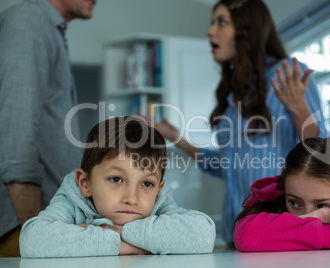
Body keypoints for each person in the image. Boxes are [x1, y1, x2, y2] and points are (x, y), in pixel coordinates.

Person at [143, 0, 327, 243]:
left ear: (247, 29)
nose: (210, 31)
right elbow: (227, 166)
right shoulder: (233, 95)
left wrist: (298, 108)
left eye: (221, 22)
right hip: (238, 228)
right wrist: (175, 138)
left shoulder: (287, 75)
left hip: (282, 228)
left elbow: (321, 152)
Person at [19, 116, 216, 257]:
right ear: (85, 183)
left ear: (158, 189)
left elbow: (204, 235)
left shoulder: (158, 200)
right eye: (116, 179)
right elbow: (32, 240)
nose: (132, 198)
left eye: (147, 183)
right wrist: (127, 247)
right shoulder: (72, 197)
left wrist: (118, 232)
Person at [0, 0, 96, 257]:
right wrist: (38, 232)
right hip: (25, 224)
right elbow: (16, 130)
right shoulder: (29, 21)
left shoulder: (48, 28)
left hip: (45, 223)